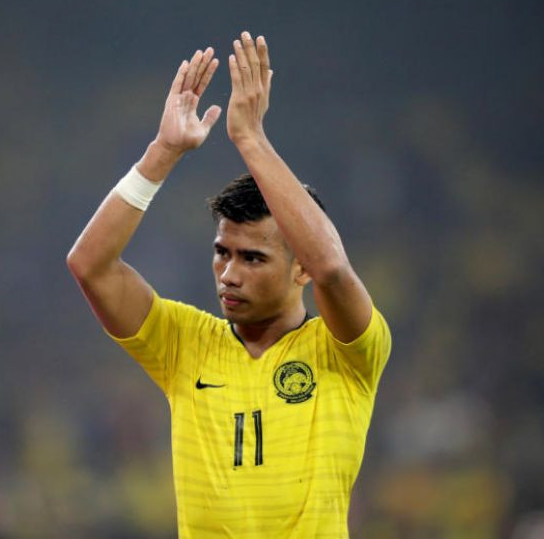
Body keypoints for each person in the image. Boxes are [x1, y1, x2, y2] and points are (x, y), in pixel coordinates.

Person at [67, 30, 391, 538]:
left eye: (253, 258)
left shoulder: (346, 350)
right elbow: (90, 265)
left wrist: (251, 140)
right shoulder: (185, 343)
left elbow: (332, 267)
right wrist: (162, 152)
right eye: (223, 252)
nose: (229, 273)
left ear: (300, 268)